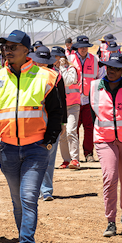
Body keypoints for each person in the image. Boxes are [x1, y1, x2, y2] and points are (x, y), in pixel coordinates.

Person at [0, 30, 62, 243]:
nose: (8, 50)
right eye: (5, 47)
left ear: (27, 50)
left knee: (28, 198)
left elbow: (58, 112)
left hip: (36, 149)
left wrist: (48, 143)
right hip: (7, 151)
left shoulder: (48, 77)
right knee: (18, 203)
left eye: (13, 46)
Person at [90, 54, 122, 237]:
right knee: (110, 177)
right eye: (108, 67)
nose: (111, 71)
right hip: (104, 140)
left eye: (116, 69)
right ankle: (110, 221)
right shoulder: (95, 87)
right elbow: (93, 115)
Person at [41, 46, 72, 201]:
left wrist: (63, 121)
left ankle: (46, 190)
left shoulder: (56, 76)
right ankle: (35, 189)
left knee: (49, 156)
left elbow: (62, 100)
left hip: (52, 120)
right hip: (33, 120)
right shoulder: (29, 75)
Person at [68, 35, 99, 164]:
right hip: (73, 99)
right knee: (73, 129)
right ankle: (74, 156)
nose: (83, 49)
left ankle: (89, 154)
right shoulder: (69, 59)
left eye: (86, 47)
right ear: (77, 47)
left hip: (88, 99)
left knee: (89, 127)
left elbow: (99, 77)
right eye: (81, 47)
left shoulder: (94, 59)